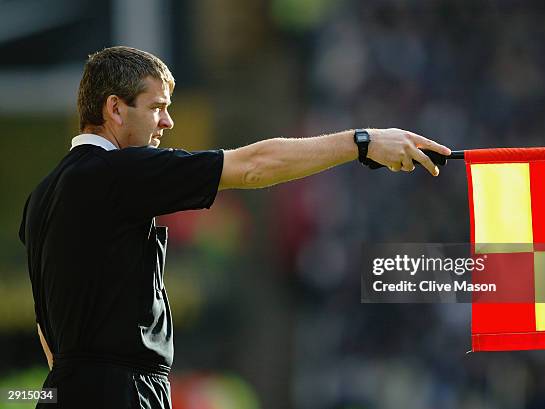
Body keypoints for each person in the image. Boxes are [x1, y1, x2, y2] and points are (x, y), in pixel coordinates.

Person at [19, 46, 451, 409]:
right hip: (121, 393)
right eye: (156, 108)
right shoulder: (119, 172)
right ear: (114, 108)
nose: (167, 123)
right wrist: (364, 141)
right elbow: (255, 165)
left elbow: (46, 335)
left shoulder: (41, 197)